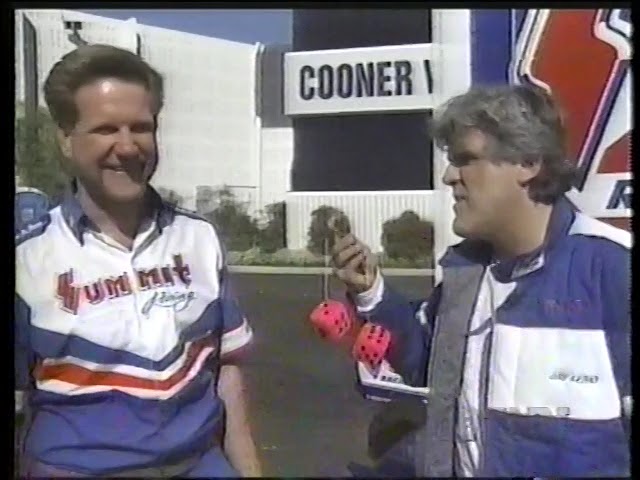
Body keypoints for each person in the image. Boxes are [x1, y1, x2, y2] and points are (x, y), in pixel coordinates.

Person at [332, 84, 631, 477]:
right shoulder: (465, 275)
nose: (448, 176)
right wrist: (371, 292)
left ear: (528, 162)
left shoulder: (613, 270)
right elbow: (429, 364)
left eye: (466, 159)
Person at [15, 44, 262, 478]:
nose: (127, 147)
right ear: (66, 140)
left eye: (141, 127)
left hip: (199, 465)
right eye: (106, 129)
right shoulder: (29, 256)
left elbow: (226, 375)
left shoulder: (198, 238)